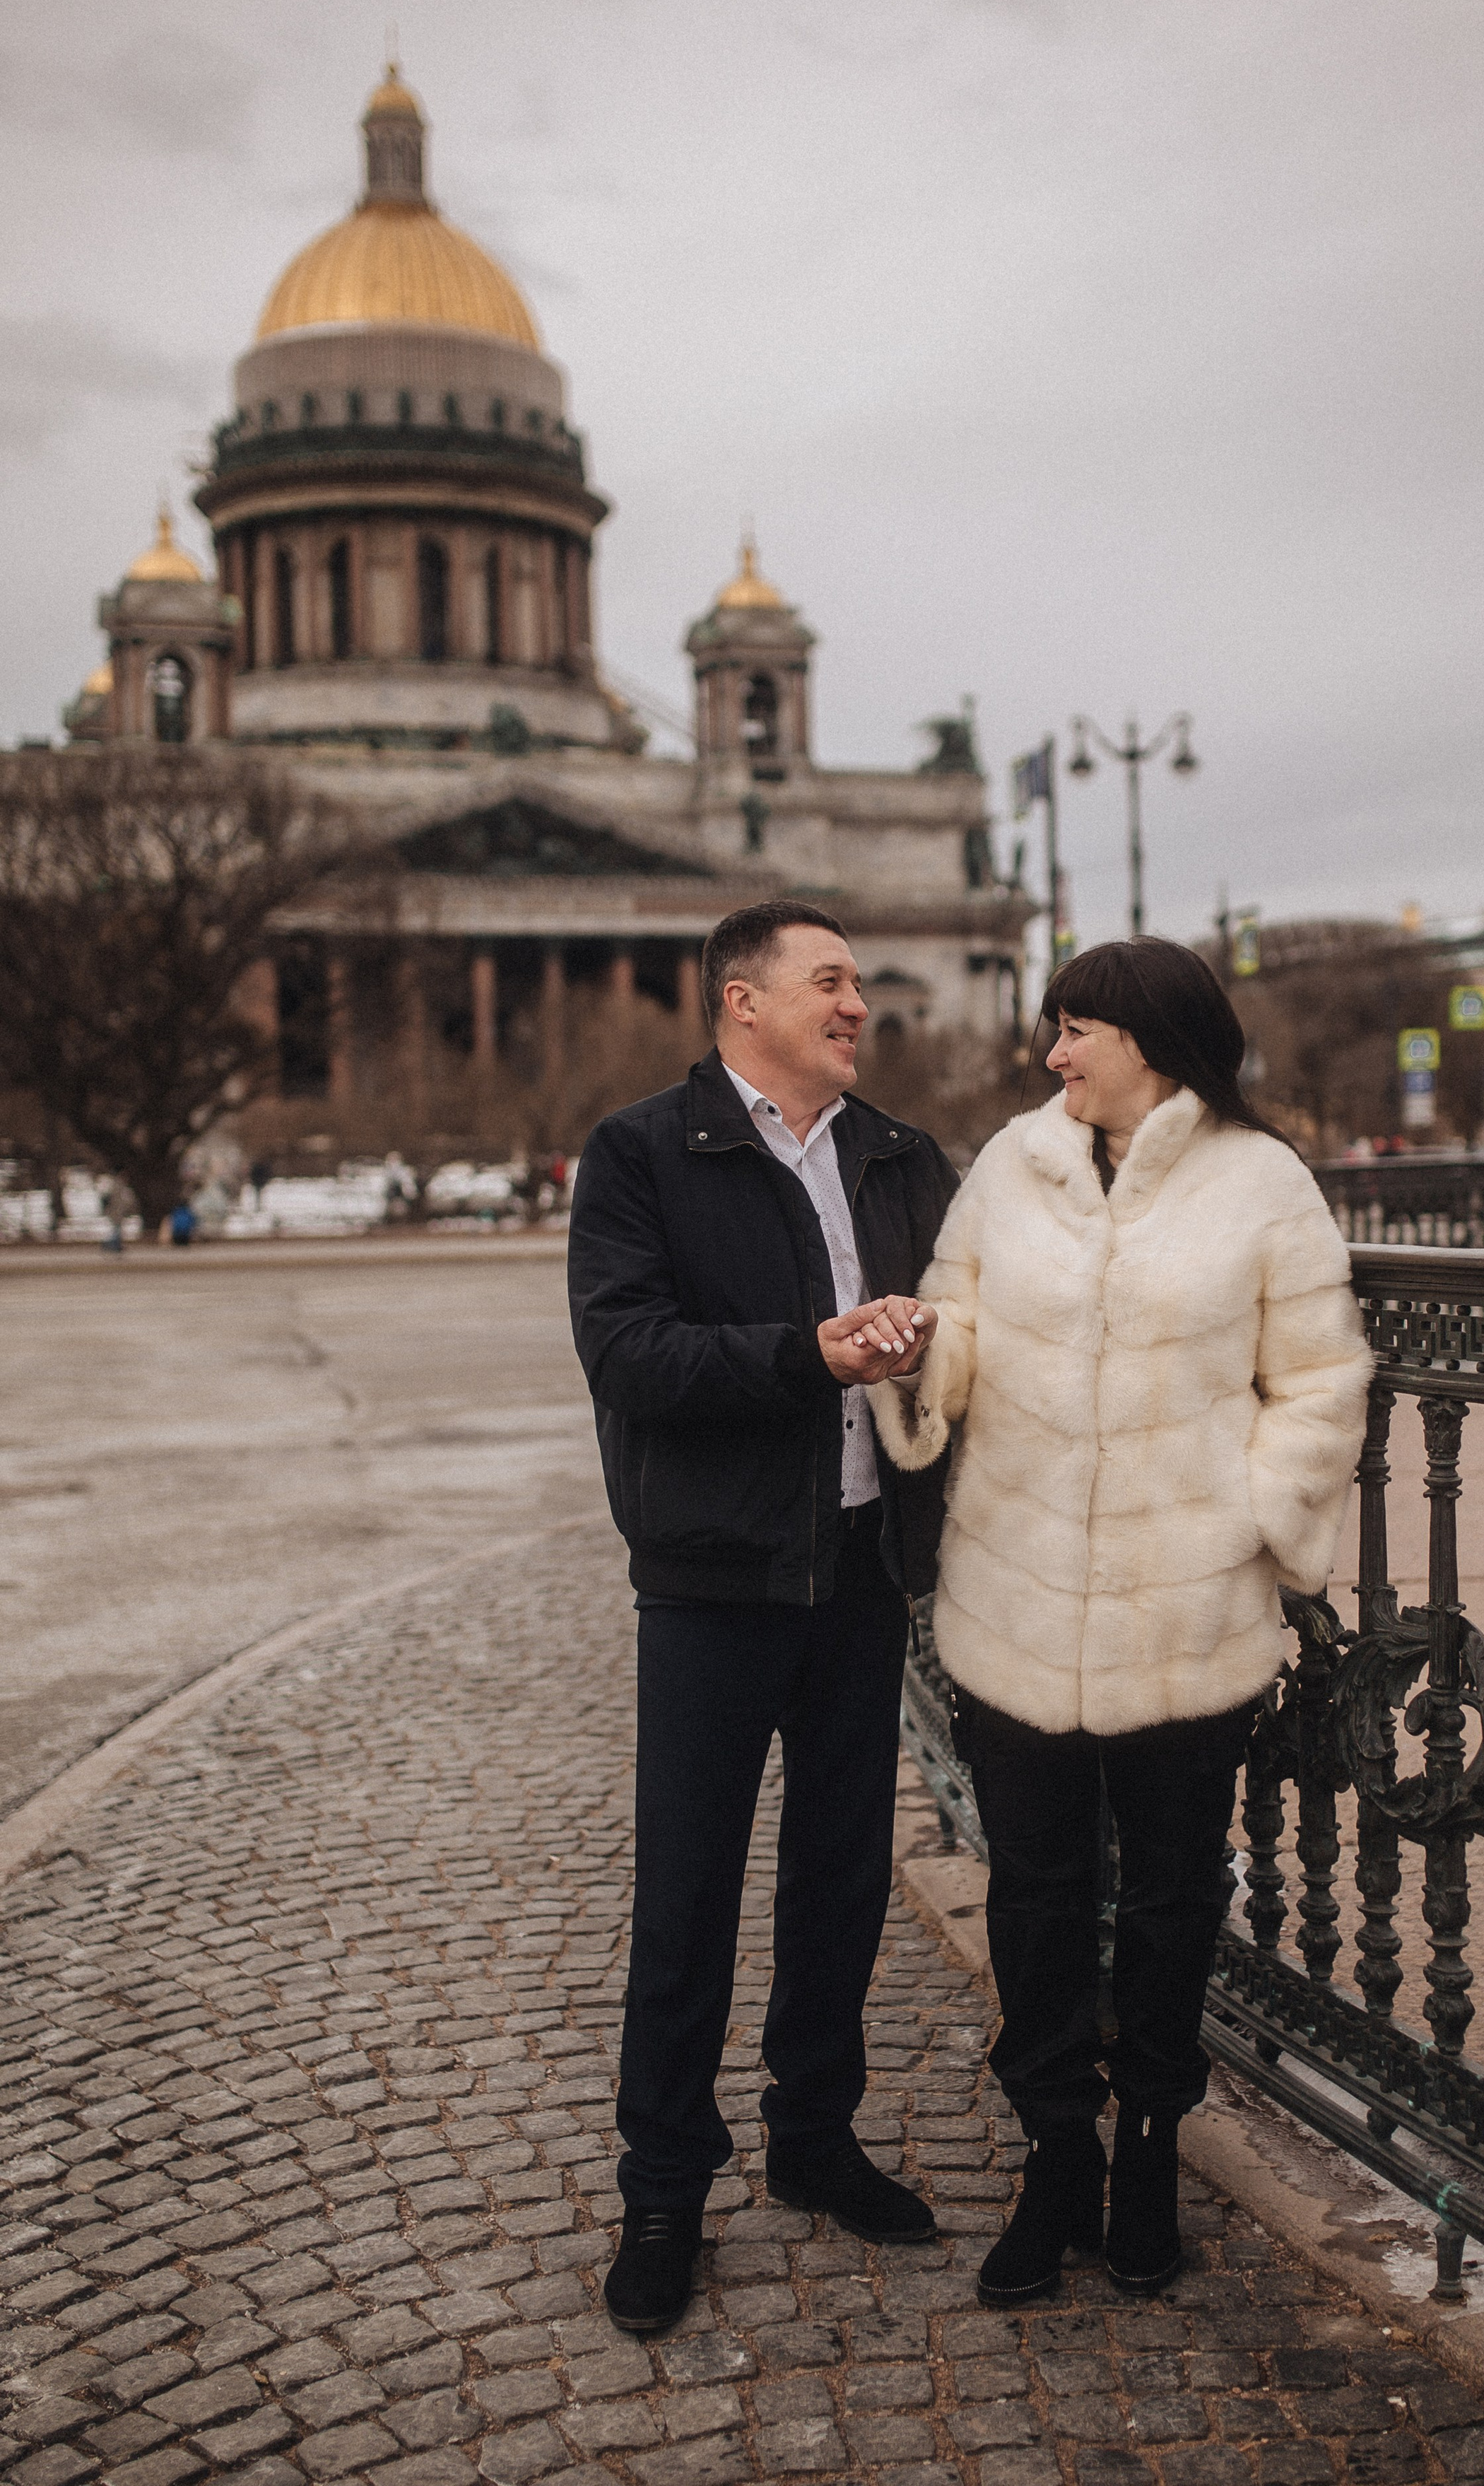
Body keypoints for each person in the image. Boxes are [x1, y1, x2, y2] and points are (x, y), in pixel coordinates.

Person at [868, 937, 1372, 2302]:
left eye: (1074, 1027)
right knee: (1030, 1897)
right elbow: (959, 1335)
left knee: (1168, 1898)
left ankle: (1149, 2148)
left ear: (1148, 1036)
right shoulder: (1007, 1168)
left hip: (1188, 1616)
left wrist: (1249, 1526)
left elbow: (1319, 1381)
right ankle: (1054, 2159)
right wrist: (920, 1355)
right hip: (1013, 1603)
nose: (1052, 1054)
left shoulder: (1262, 1181)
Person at [567, 901, 960, 2333]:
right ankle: (664, 2186)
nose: (857, 1004)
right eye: (830, 981)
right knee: (687, 1899)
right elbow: (627, 1355)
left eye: (858, 982)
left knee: (839, 1880)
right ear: (745, 1005)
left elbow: (968, 1332)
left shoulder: (901, 1155)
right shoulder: (639, 1153)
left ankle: (813, 2139)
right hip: (712, 1580)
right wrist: (808, 1355)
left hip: (859, 1572)